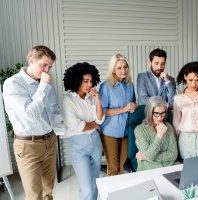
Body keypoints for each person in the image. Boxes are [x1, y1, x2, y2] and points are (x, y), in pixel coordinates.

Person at [2, 45, 59, 200]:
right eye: (44, 65)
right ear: (31, 60)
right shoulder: (12, 84)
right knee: (34, 196)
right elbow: (31, 115)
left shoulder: (45, 81)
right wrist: (44, 86)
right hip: (28, 146)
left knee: (48, 191)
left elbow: (53, 109)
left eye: (50, 67)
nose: (47, 70)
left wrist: (60, 126)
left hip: (50, 140)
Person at [62, 62, 104, 200]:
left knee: (94, 184)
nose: (89, 84)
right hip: (79, 147)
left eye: (91, 81)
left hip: (96, 144)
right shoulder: (68, 100)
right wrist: (93, 125)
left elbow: (99, 120)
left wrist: (97, 100)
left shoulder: (91, 97)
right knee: (86, 187)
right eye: (85, 81)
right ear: (76, 80)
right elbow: (77, 125)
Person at [99, 53, 136, 176]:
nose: (123, 70)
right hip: (110, 131)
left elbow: (133, 104)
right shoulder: (106, 86)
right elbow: (103, 111)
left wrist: (133, 107)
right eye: (119, 68)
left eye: (125, 67)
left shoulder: (130, 85)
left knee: (124, 167)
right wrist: (124, 109)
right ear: (113, 70)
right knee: (113, 169)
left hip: (126, 131)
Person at [135, 96, 178, 171]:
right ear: (149, 112)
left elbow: (173, 154)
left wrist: (145, 157)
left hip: (169, 168)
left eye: (163, 113)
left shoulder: (169, 126)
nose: (160, 117)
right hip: (149, 170)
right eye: (156, 114)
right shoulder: (140, 130)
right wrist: (159, 135)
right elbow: (149, 156)